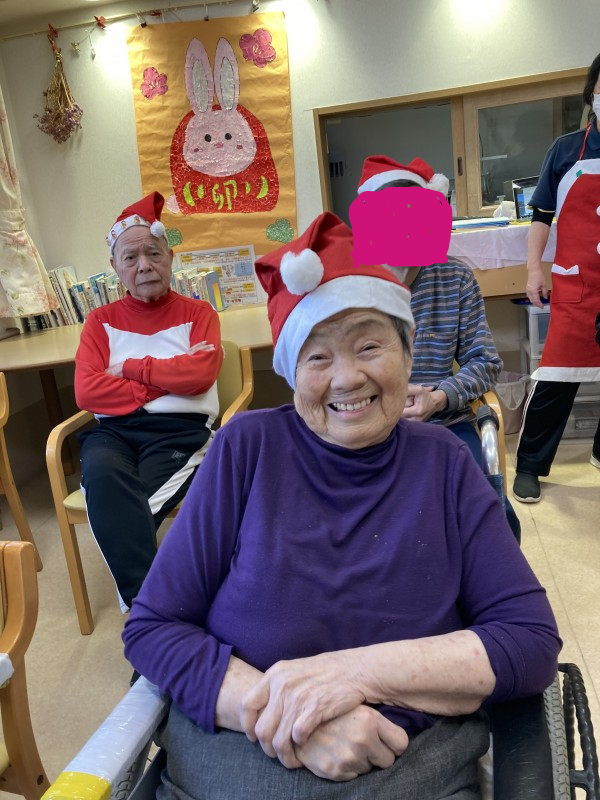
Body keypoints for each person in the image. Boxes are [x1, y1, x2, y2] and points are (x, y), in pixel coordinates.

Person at [122, 212, 560, 799]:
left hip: (409, 769)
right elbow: (153, 627)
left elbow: (530, 641)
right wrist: (293, 717)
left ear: (408, 353)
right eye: (318, 357)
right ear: (291, 371)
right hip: (237, 756)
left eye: (369, 345)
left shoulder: (446, 465)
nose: (347, 378)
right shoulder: (244, 448)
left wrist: (350, 675)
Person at [355, 156, 521, 538]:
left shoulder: (454, 277)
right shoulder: (351, 282)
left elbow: (485, 361)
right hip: (365, 426)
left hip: (444, 423)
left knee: (491, 519)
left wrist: (439, 398)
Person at [74, 191, 222, 611]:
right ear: (115, 267)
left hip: (178, 431)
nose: (144, 266)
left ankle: (145, 617)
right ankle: (155, 613)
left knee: (124, 509)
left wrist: (129, 369)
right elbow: (87, 391)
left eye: (153, 253)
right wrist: (168, 379)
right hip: (113, 432)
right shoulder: (99, 322)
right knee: (102, 477)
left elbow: (200, 376)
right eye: (130, 257)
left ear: (170, 257)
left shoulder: (199, 313)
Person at [513, 54, 600, 503]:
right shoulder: (566, 151)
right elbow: (542, 217)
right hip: (578, 284)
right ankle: (530, 465)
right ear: (592, 94)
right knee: (557, 378)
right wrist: (534, 269)